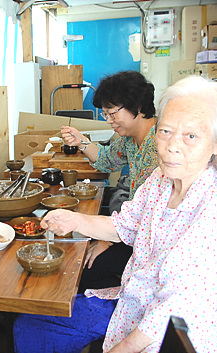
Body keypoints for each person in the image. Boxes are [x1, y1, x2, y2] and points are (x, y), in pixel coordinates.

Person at [14, 76, 217, 353]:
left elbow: (179, 306)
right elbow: (124, 226)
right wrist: (74, 220)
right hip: (135, 301)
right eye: (165, 132)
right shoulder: (160, 180)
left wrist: (122, 348)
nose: (172, 145)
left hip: (170, 338)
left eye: (191, 136)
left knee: (37, 322)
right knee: (32, 320)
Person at [61, 71, 159, 292]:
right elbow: (105, 161)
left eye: (112, 114)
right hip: (133, 230)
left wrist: (108, 240)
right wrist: (81, 141)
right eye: (106, 115)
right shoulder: (130, 140)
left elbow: (151, 213)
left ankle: (131, 300)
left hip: (151, 245)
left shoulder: (162, 144)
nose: (110, 121)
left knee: (83, 270)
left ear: (139, 106)